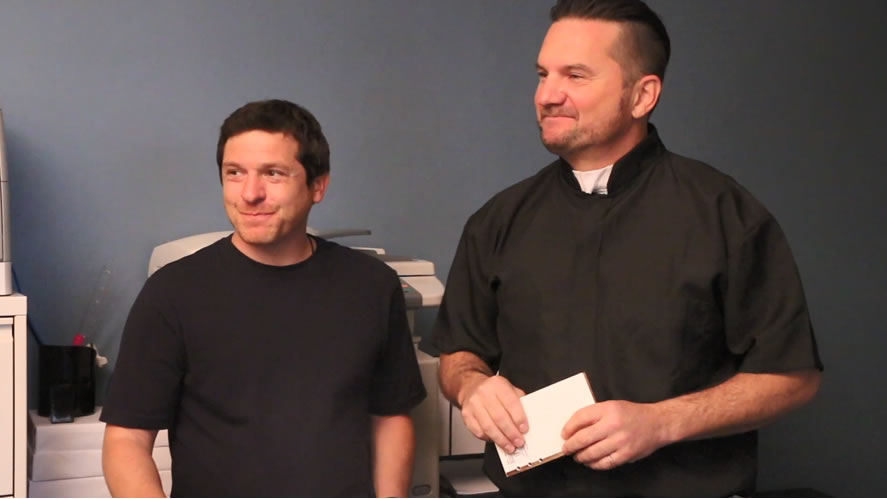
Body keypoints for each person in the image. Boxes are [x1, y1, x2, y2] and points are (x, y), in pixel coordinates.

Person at [432, 0, 823, 496]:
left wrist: (662, 422)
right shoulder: (498, 220)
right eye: (543, 74)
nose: (547, 95)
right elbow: (458, 354)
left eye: (575, 75)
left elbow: (794, 377)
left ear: (642, 95)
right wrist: (472, 386)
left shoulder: (725, 214)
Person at [101, 99, 426, 497]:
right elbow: (127, 440)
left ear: (318, 185)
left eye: (273, 173)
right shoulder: (172, 293)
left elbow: (390, 417)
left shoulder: (372, 285)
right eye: (235, 173)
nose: (250, 193)